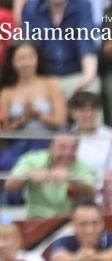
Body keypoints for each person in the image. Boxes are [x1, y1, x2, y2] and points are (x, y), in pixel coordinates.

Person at [0, 42, 67, 172]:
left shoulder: (50, 84)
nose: (26, 63)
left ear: (37, 59)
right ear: (12, 62)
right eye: (20, 59)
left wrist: (40, 115)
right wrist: (21, 120)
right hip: (19, 144)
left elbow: (61, 121)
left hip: (48, 142)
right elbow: (4, 130)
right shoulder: (6, 92)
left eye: (30, 57)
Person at [19, 0, 101, 100]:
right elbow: (29, 47)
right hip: (45, 76)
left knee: (91, 88)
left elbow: (86, 43)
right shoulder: (31, 8)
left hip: (75, 72)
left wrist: (88, 76)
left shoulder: (82, 6)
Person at [4, 134, 98, 218]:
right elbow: (9, 186)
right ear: (51, 147)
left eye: (73, 148)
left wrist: (73, 179)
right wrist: (28, 175)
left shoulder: (83, 167)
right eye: (62, 147)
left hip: (69, 221)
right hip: (37, 219)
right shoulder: (32, 160)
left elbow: (92, 194)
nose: (67, 153)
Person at [46, 199, 112, 261]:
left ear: (102, 223)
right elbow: (58, 259)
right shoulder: (63, 241)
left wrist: (95, 258)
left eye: (95, 223)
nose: (90, 230)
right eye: (83, 224)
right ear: (73, 225)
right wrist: (76, 260)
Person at [66, 90, 112, 187]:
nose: (88, 114)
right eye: (82, 110)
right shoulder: (65, 140)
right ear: (72, 112)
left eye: (93, 109)